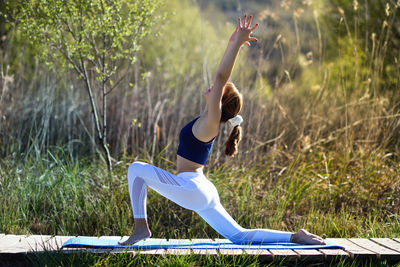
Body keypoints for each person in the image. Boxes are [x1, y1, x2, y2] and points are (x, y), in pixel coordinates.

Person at [119, 15, 325, 246]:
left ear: (220, 100)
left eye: (219, 90)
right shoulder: (209, 119)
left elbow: (220, 76)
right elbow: (218, 78)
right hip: (201, 188)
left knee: (136, 169)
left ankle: (141, 229)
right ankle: (295, 236)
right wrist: (231, 43)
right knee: (239, 236)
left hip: (191, 187)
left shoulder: (212, 120)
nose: (213, 86)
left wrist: (237, 45)